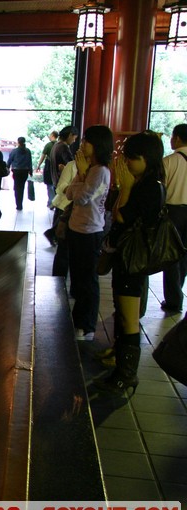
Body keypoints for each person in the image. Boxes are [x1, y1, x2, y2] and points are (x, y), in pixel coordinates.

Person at [95, 131, 166, 396]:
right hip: (128, 260)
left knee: (130, 319)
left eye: (132, 159)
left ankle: (126, 375)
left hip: (133, 262)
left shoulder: (148, 186)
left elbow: (122, 216)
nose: (127, 164)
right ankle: (120, 370)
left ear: (146, 158)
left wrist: (125, 187)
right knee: (124, 315)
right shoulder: (144, 182)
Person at [64, 125, 113, 341]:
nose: (82, 145)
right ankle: (78, 321)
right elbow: (68, 192)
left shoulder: (100, 171)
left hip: (90, 231)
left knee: (88, 281)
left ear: (98, 145)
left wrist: (81, 176)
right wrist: (80, 180)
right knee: (77, 279)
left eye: (86, 141)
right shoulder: (88, 169)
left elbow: (82, 198)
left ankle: (87, 326)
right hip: (76, 228)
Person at [160, 124, 187, 313]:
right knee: (185, 254)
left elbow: (161, 189)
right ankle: (178, 290)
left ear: (177, 139)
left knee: (170, 255)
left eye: (172, 137)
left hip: (173, 212)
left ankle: (173, 299)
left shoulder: (168, 161)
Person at [43, 126, 79, 246]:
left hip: (56, 181)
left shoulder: (55, 146)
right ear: (70, 135)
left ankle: (53, 233)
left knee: (59, 209)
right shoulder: (63, 147)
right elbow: (71, 165)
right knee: (63, 211)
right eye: (74, 137)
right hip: (63, 185)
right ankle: (54, 233)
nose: (74, 141)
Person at [7, 136, 33, 210]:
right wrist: (30, 171)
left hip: (16, 171)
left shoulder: (14, 151)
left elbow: (9, 161)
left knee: (17, 188)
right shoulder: (27, 151)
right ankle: (20, 203)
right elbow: (29, 162)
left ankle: (19, 205)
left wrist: (7, 168)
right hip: (25, 171)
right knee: (21, 187)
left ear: (18, 142)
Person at [36, 130, 58, 207]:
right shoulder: (60, 145)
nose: (49, 136)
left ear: (52, 135)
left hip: (49, 167)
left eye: (50, 135)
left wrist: (38, 165)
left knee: (49, 185)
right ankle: (56, 202)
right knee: (56, 185)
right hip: (58, 168)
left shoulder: (48, 145)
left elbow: (43, 156)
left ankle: (51, 202)